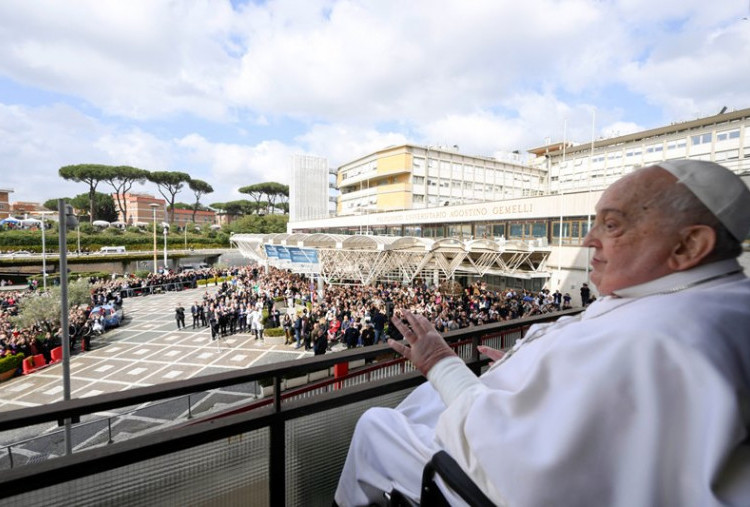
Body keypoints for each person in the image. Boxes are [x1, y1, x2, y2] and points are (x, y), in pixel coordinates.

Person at [334, 160, 750, 506]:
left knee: (376, 424)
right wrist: (533, 369)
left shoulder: (653, 335)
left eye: (612, 225)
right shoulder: (713, 297)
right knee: (426, 399)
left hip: (490, 485)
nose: (588, 240)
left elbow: (517, 461)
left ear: (689, 246)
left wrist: (439, 362)